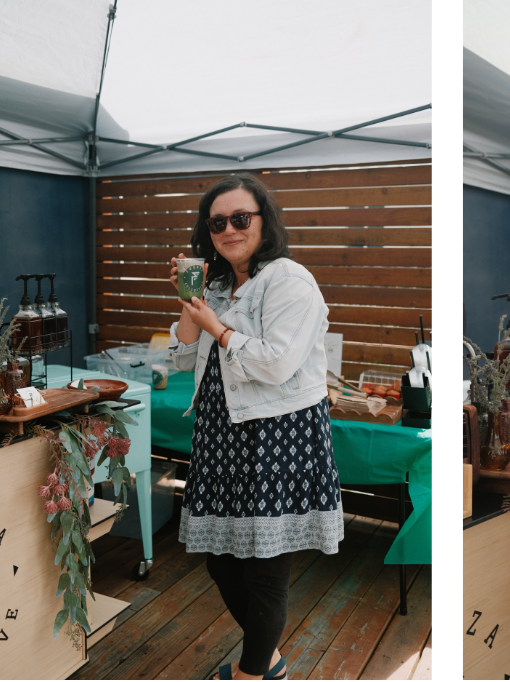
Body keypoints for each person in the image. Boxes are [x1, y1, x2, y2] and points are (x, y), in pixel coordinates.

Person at [166, 173, 342, 681]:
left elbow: (276, 363)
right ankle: (272, 662)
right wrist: (190, 302)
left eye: (240, 218)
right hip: (222, 438)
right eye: (216, 222)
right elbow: (182, 358)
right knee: (221, 560)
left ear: (264, 222)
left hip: (277, 438)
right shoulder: (219, 285)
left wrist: (216, 327)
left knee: (265, 569)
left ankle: (253, 674)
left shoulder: (289, 280)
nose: (228, 229)